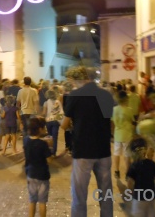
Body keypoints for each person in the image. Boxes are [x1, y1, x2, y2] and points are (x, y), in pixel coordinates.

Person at [61, 66, 115, 217]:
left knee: (79, 195)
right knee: (106, 194)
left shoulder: (75, 95)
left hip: (83, 150)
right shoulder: (105, 94)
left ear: (82, 78)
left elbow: (64, 124)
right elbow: (111, 123)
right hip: (103, 150)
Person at [126, 137, 155, 217]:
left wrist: (129, 191)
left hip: (139, 197)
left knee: (138, 214)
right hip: (151, 196)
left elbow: (130, 181)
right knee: (151, 213)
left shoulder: (134, 166)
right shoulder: (151, 163)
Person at [24, 117, 52, 217]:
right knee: (42, 202)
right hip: (42, 176)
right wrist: (50, 146)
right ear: (40, 129)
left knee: (32, 200)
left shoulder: (26, 140)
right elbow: (49, 160)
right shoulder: (43, 144)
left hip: (30, 174)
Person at [111, 91, 134, 179]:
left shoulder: (114, 109)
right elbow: (132, 122)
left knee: (116, 153)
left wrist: (113, 133)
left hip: (117, 134)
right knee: (127, 154)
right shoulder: (129, 110)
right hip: (127, 134)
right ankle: (127, 173)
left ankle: (117, 171)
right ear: (126, 99)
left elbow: (112, 122)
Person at [42, 89, 63, 157]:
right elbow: (61, 112)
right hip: (56, 121)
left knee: (49, 137)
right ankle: (54, 153)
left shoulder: (46, 103)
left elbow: (44, 113)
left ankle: (49, 151)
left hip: (48, 121)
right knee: (55, 137)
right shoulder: (58, 102)